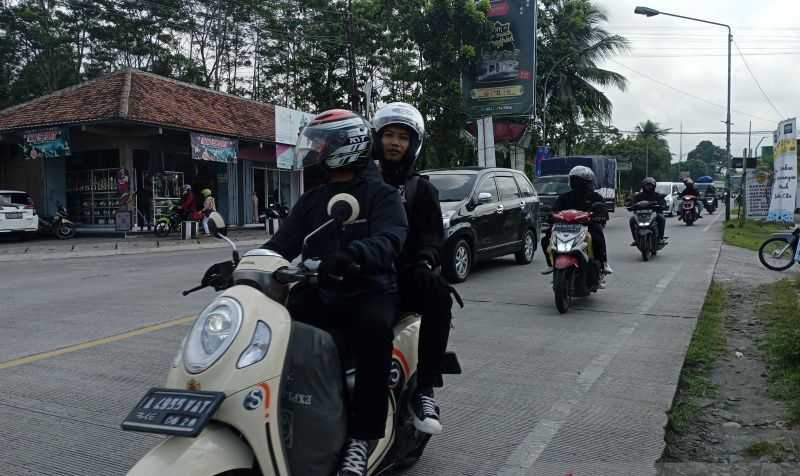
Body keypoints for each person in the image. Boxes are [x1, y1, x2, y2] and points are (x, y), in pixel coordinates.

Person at [262, 109, 408, 476]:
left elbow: (391, 239)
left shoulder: (382, 194)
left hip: (370, 290)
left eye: (321, 143)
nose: (314, 150)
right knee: (277, 325)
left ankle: (362, 438)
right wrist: (245, 262)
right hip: (319, 290)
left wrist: (354, 255)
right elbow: (281, 243)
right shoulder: (313, 199)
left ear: (347, 146)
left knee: (374, 332)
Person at [372, 102, 459, 436]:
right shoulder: (360, 182)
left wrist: (425, 260)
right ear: (376, 139)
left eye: (402, 138)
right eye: (389, 135)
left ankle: (425, 388)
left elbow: (433, 236)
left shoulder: (420, 188)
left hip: (405, 275)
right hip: (363, 273)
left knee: (438, 294)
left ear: (413, 144)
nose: (395, 143)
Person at [540, 166, 612, 276]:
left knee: (597, 234)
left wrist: (599, 216)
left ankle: (603, 263)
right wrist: (549, 215)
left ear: (585, 182)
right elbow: (554, 209)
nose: (575, 183)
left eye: (578, 180)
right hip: (564, 226)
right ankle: (550, 263)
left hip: (586, 226)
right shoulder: (565, 197)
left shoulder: (595, 197)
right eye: (574, 180)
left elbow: (602, 210)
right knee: (546, 238)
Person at [628, 177, 667, 245]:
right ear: (643, 186)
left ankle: (660, 238)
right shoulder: (638, 196)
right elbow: (631, 202)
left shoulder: (657, 195)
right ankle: (635, 239)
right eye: (647, 185)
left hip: (654, 214)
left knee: (662, 218)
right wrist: (629, 205)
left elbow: (662, 202)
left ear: (653, 186)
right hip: (640, 215)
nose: (649, 187)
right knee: (632, 219)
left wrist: (663, 205)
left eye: (650, 185)